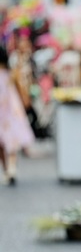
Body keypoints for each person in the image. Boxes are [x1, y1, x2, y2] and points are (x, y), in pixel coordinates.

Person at [0, 46, 35, 186]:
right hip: (10, 112)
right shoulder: (10, 74)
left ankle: (6, 169)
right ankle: (12, 168)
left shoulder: (10, 74)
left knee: (2, 143)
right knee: (11, 141)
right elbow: (19, 89)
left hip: (4, 112)